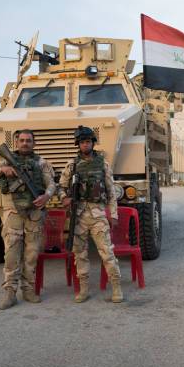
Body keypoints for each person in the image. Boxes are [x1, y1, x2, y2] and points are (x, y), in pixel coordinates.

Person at [0, 129, 56, 310]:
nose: (25, 143)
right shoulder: (5, 161)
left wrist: (46, 197)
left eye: (29, 140)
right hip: (13, 213)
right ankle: (10, 292)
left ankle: (28, 290)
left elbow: (52, 185)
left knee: (31, 253)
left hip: (34, 213)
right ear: (16, 143)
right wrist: (3, 170)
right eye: (22, 140)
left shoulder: (42, 163)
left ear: (34, 143)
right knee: (11, 253)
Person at [58, 126, 123, 303]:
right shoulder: (71, 165)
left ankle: (116, 287)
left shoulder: (103, 164)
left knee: (107, 253)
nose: (85, 145)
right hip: (78, 216)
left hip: (98, 215)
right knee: (80, 254)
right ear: (77, 145)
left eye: (87, 142)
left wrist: (114, 215)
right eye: (81, 142)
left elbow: (111, 191)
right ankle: (84, 289)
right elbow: (61, 187)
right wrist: (64, 198)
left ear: (92, 143)